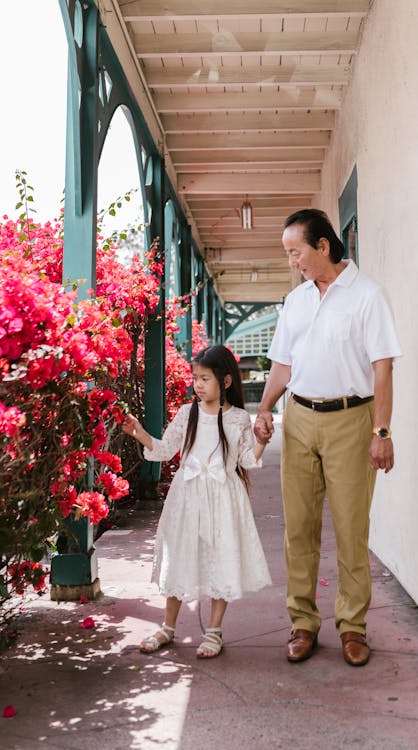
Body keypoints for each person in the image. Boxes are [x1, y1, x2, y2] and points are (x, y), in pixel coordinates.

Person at [254, 209, 402, 667]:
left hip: (350, 421)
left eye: (296, 251)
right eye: (287, 253)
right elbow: (284, 363)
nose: (292, 260)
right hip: (298, 419)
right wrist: (263, 407)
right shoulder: (296, 301)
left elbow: (382, 369)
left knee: (351, 529)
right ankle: (302, 623)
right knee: (298, 529)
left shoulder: (368, 296)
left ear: (323, 246)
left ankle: (353, 628)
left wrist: (382, 431)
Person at [123, 344, 271, 658]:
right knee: (181, 556)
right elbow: (164, 450)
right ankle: (168, 626)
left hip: (223, 498)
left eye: (205, 378)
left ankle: (214, 631)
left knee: (221, 557)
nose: (198, 384)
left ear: (226, 381)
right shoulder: (187, 413)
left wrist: (260, 441)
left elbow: (246, 458)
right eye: (195, 378)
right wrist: (139, 433)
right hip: (187, 496)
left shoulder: (238, 419)